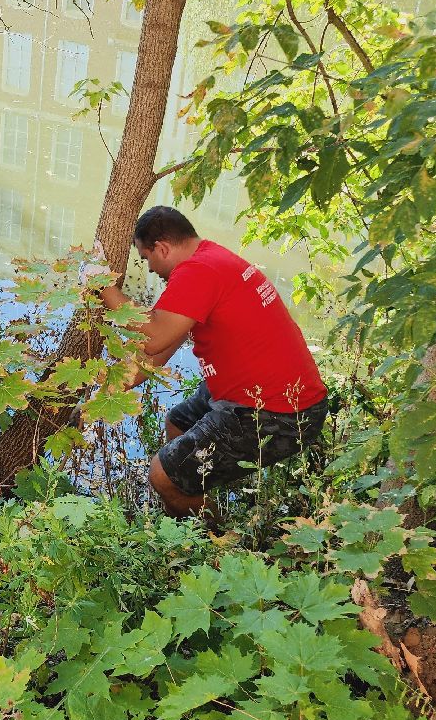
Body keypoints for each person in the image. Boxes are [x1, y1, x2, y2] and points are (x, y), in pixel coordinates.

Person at [84, 206, 327, 516]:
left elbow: (155, 336)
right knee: (178, 424)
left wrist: (103, 287)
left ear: (163, 248)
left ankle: (207, 541)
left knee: (162, 476)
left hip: (280, 412)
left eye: (147, 259)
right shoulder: (209, 260)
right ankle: (190, 502)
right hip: (263, 393)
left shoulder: (199, 271)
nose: (151, 270)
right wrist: (100, 396)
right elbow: (155, 353)